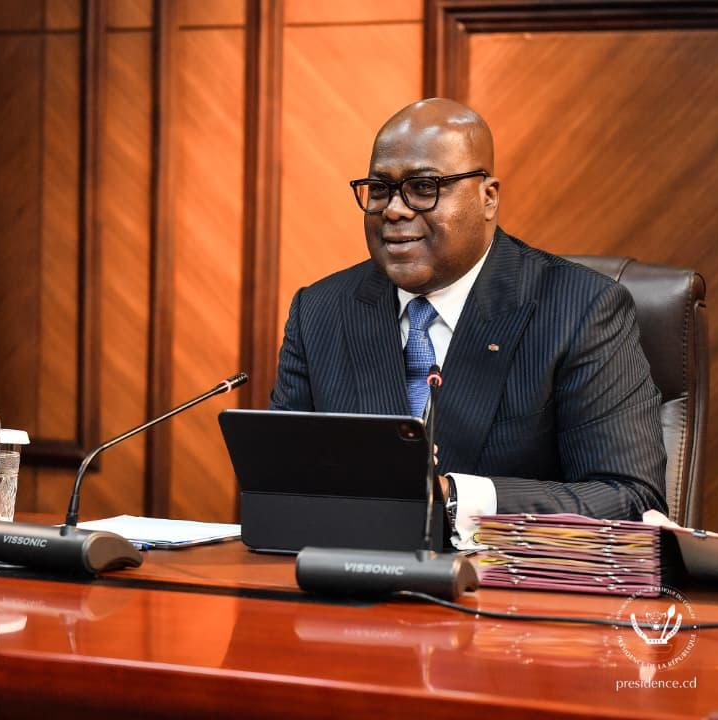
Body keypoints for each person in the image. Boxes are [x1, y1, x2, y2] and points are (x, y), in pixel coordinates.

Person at [270, 98, 667, 547]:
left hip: (502, 583)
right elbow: (278, 485)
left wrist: (455, 498)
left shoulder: (580, 309)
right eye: (379, 189)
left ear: (488, 198)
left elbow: (631, 500)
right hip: (343, 579)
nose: (394, 210)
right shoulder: (320, 311)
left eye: (423, 187)